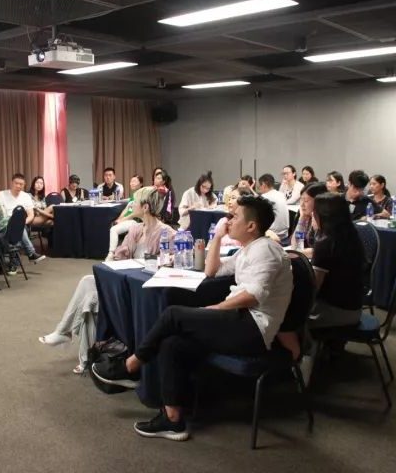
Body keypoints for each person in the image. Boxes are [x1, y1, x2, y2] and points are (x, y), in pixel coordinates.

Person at [92, 195, 293, 441]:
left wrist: (216, 308)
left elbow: (253, 296)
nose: (229, 220)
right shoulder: (248, 249)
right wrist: (217, 237)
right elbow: (212, 270)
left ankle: (131, 366)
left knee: (173, 314)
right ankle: (173, 419)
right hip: (239, 321)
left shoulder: (266, 250)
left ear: (251, 226)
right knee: (172, 343)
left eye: (235, 217)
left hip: (253, 329)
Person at [39, 187, 175, 374]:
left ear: (145, 207)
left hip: (141, 290)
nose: (131, 206)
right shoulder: (136, 229)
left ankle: (72, 342)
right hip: (124, 281)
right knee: (88, 286)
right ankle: (65, 334)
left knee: (90, 297)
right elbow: (122, 254)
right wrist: (116, 256)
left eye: (135, 202)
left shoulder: (167, 233)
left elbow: (168, 263)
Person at [309, 193, 365, 328]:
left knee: (286, 317)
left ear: (322, 216)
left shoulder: (326, 243)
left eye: (314, 213)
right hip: (355, 309)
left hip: (334, 312)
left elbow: (313, 288)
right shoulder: (351, 236)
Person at [0, 173, 45, 274]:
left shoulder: (26, 196)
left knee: (18, 226)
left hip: (21, 223)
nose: (18, 186)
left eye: (21, 184)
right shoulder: (2, 194)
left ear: (24, 185)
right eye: (16, 183)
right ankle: (30, 253)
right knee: (16, 228)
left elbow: (31, 215)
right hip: (4, 224)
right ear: (11, 183)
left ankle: (14, 263)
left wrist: (22, 222)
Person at [105, 174, 143, 261]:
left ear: (141, 184)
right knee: (113, 225)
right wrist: (119, 219)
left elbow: (134, 213)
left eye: (134, 181)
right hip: (130, 220)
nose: (132, 183)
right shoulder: (134, 195)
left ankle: (111, 254)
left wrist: (123, 220)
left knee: (114, 230)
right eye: (131, 181)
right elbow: (127, 210)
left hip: (137, 221)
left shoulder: (141, 196)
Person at [290, 182, 327, 256]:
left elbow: (324, 250)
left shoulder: (327, 219)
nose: (302, 204)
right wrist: (301, 220)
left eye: (306, 201)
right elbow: (296, 244)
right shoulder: (303, 215)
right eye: (301, 200)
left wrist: (301, 253)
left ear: (318, 202)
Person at [258, 174, 289, 240]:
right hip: (285, 234)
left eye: (259, 186)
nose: (259, 189)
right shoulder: (281, 194)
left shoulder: (264, 197)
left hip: (273, 236)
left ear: (263, 185)